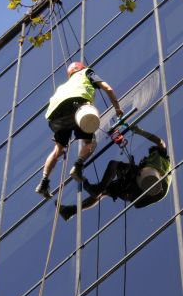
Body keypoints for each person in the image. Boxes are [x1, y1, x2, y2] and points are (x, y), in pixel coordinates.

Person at [35, 61, 123, 199]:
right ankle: (77, 166)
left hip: (55, 117)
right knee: (90, 143)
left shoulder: (63, 86)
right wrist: (117, 108)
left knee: (57, 150)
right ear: (80, 68)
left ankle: (44, 182)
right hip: (77, 107)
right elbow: (108, 89)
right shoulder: (87, 72)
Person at [58, 125, 171, 221]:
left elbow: (160, 142)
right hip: (140, 192)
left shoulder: (161, 157)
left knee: (114, 165)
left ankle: (98, 188)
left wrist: (139, 131)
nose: (147, 156)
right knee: (106, 191)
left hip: (150, 185)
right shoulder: (151, 165)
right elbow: (138, 203)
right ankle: (71, 211)